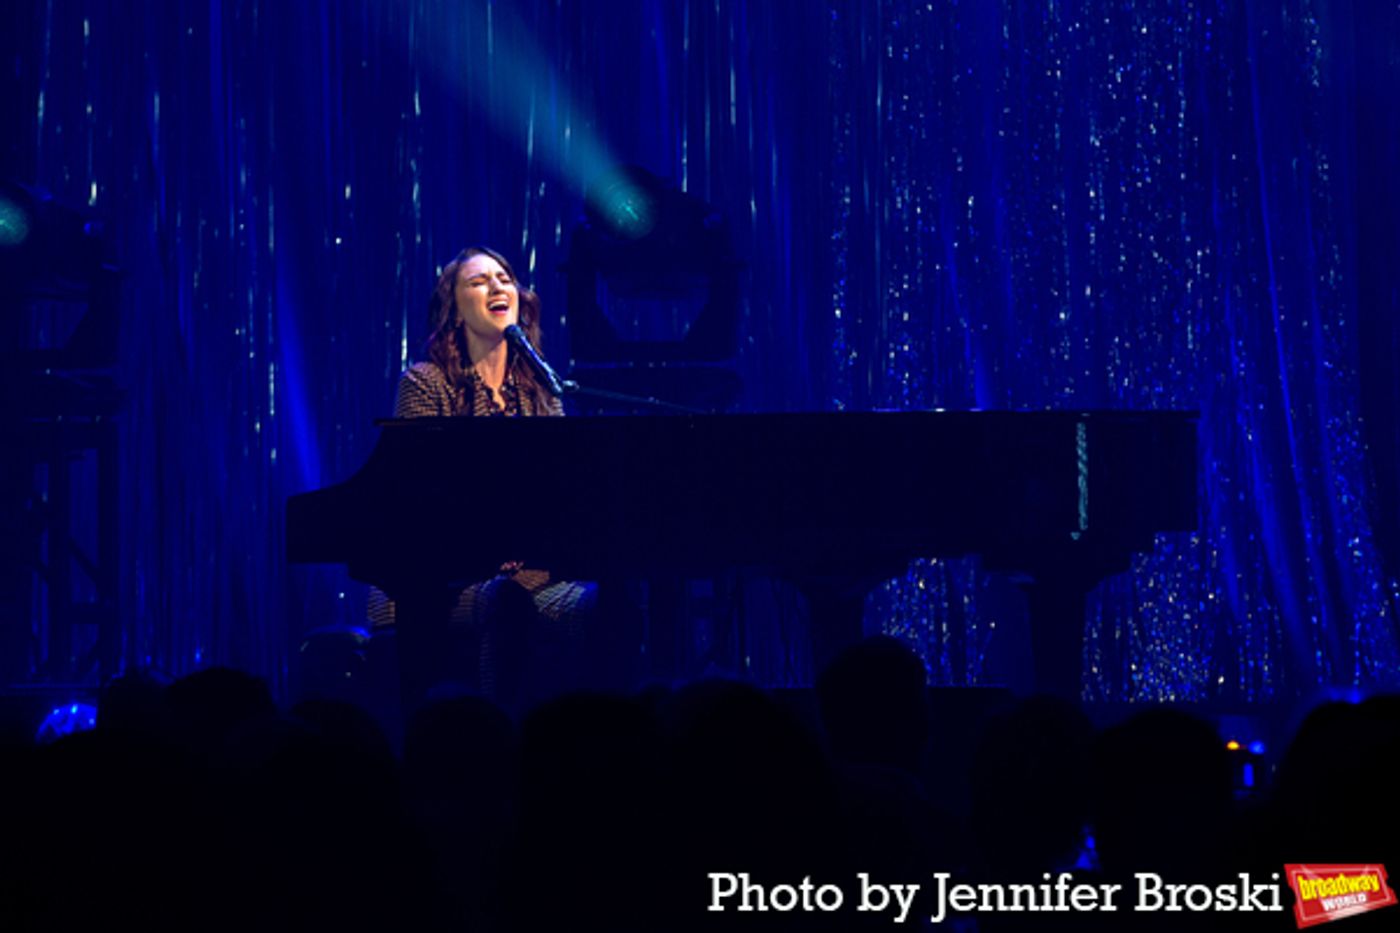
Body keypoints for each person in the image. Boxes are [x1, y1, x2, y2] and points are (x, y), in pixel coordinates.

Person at [368, 247, 591, 705]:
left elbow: (563, 492)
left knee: (610, 608)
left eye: (504, 277)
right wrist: (491, 546)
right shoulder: (425, 383)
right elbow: (417, 496)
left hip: (533, 574)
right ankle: (497, 737)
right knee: (503, 602)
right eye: (477, 281)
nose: (496, 286)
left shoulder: (542, 390)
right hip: (435, 581)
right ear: (453, 307)